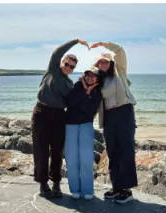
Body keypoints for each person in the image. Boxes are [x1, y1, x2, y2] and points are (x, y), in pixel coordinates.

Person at [32, 38, 87, 198]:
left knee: (56, 151)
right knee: (41, 149)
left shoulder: (70, 84)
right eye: (67, 64)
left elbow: (75, 103)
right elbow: (57, 52)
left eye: (72, 67)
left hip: (58, 116)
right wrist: (76, 41)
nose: (69, 68)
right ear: (62, 62)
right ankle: (43, 183)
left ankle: (56, 183)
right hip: (41, 113)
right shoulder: (53, 70)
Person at [90, 41, 137, 204]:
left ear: (111, 63)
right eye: (100, 62)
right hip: (109, 117)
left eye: (106, 61)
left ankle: (127, 189)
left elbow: (120, 50)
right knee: (112, 151)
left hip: (124, 113)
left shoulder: (120, 72)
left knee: (126, 150)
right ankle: (116, 187)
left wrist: (103, 44)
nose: (103, 63)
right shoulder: (98, 80)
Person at [64, 67, 103, 200]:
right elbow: (70, 103)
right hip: (70, 125)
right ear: (84, 76)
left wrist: (87, 93)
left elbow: (89, 111)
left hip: (86, 125)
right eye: (88, 75)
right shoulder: (76, 87)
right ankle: (75, 189)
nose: (90, 78)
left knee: (86, 159)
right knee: (71, 158)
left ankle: (87, 190)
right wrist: (85, 93)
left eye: (93, 76)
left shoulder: (97, 93)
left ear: (97, 78)